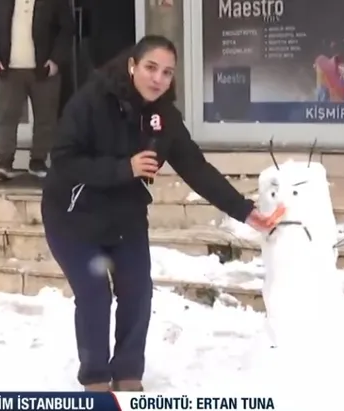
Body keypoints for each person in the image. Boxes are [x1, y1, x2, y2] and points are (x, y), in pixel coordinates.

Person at [40, 35, 280, 392]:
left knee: (137, 292)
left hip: (125, 217)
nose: (158, 79)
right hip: (73, 216)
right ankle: (95, 379)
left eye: (167, 72)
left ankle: (128, 375)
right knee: (94, 295)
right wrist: (124, 168)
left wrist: (245, 211)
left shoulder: (164, 117)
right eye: (151, 68)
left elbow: (196, 168)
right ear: (132, 65)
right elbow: (63, 160)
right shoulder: (91, 101)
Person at [0, 0, 73, 180]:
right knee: (6, 116)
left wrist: (56, 60)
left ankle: (38, 160)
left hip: (44, 70)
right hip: (8, 70)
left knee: (46, 118)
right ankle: (4, 162)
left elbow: (66, 29)